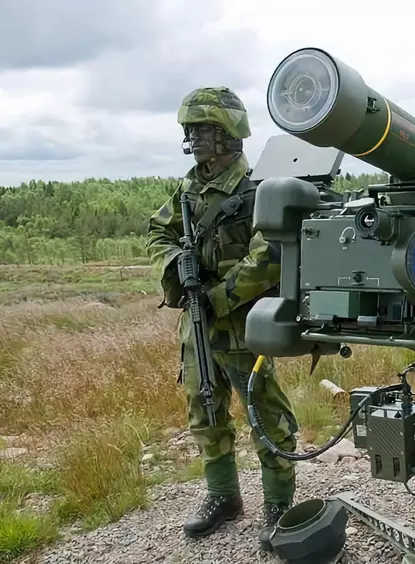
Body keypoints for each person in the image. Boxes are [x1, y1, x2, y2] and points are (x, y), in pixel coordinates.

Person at [146, 86, 299, 552]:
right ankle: (223, 496)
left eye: (204, 129)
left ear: (228, 132)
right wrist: (176, 265)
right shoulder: (189, 188)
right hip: (198, 322)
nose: (194, 137)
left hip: (244, 323)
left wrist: (217, 295)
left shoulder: (257, 189)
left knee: (265, 415)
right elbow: (158, 231)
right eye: (191, 129)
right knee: (205, 409)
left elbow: (269, 254)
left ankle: (279, 505)